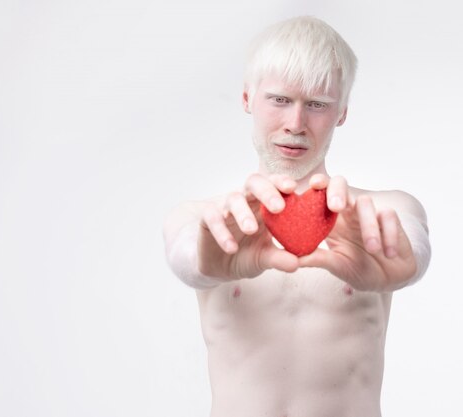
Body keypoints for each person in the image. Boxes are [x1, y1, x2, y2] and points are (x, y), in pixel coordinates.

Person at [163, 16, 431, 417]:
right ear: (246, 100)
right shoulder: (209, 220)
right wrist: (207, 263)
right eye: (280, 100)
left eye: (318, 105)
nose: (295, 124)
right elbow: (187, 261)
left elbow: (414, 249)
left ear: (341, 113)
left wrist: (404, 266)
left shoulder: (382, 214)